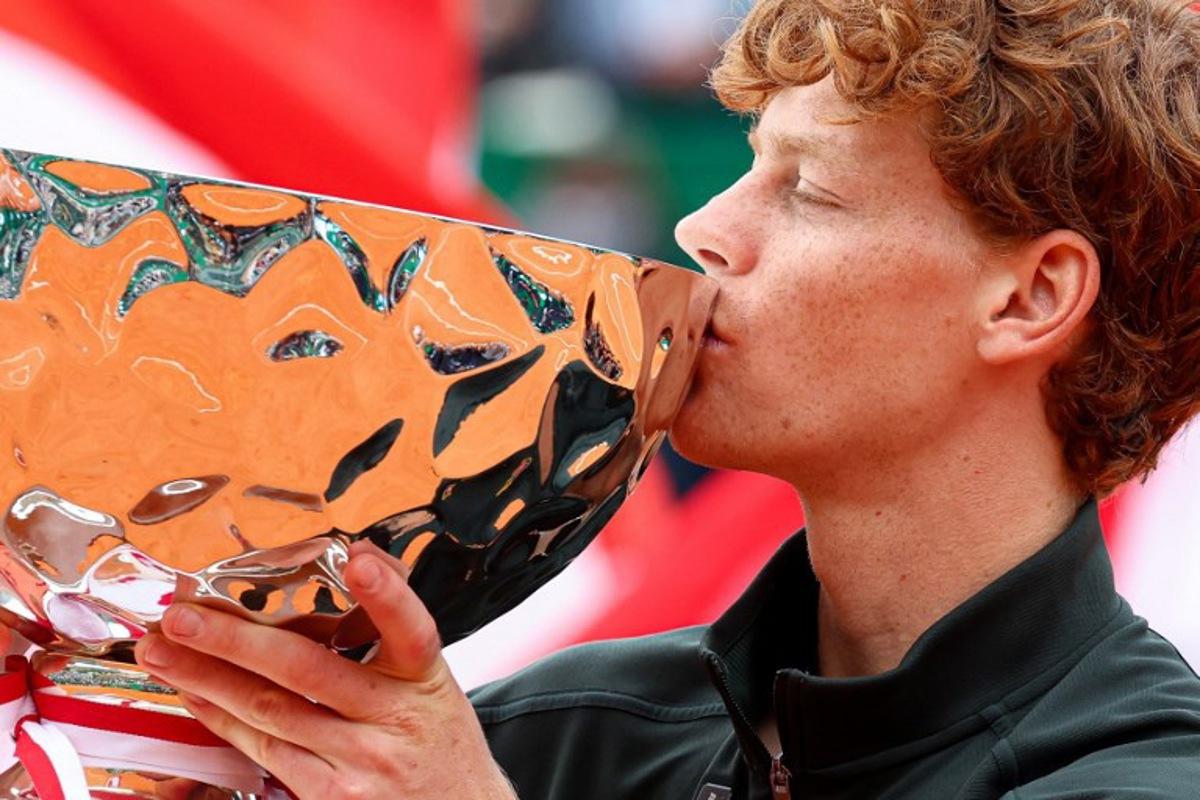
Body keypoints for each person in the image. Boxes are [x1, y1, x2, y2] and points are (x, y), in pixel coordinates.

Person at [71, 0, 1197, 797]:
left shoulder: (1145, 771)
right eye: (751, 163)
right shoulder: (561, 729)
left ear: (1031, 296)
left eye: (807, 190)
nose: (706, 229)